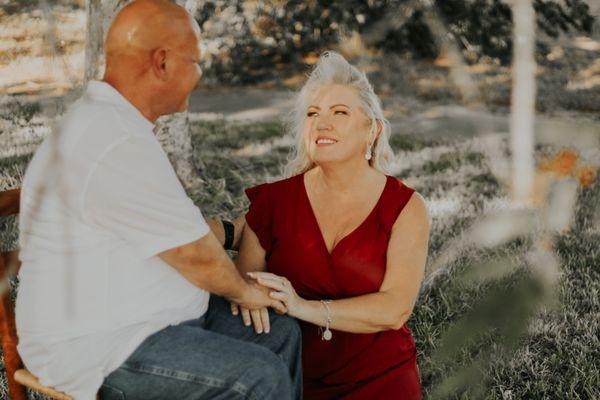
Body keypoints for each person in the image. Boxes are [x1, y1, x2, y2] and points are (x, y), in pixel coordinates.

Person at [15, 1, 301, 399]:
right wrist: (244, 290)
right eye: (196, 62)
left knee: (278, 334)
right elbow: (194, 254)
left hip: (151, 318)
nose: (200, 75)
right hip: (100, 344)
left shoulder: (116, 123)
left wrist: (235, 235)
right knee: (258, 374)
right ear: (162, 63)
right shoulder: (114, 138)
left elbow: (175, 230)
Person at [234, 51, 430, 399]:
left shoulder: (405, 207)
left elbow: (394, 308)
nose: (322, 123)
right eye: (313, 114)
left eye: (340, 113)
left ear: (372, 130)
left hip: (380, 376)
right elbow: (248, 297)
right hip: (290, 376)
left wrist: (301, 307)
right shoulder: (273, 203)